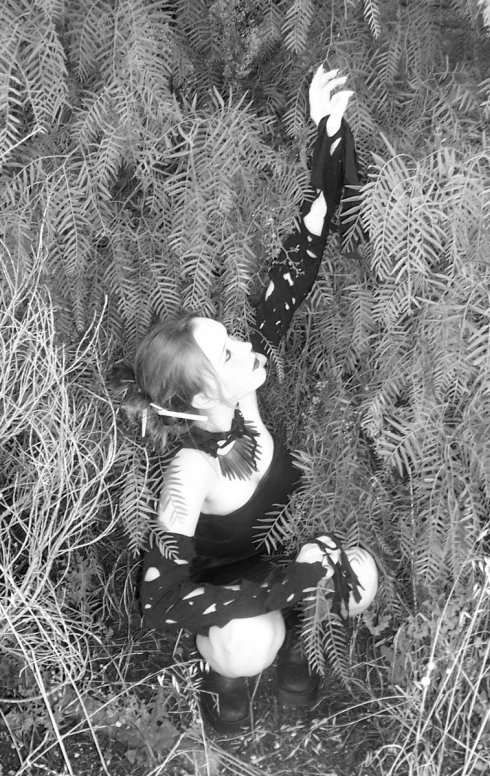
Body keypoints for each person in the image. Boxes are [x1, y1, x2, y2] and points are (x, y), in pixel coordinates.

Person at [121, 66, 378, 734]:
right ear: (201, 394)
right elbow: (161, 604)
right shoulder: (188, 473)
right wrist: (287, 589)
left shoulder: (243, 383)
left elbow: (308, 243)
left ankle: (302, 661)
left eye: (231, 335)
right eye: (227, 352)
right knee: (247, 640)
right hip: (231, 600)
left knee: (359, 573)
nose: (246, 346)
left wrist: (327, 130)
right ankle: (225, 689)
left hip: (280, 564)